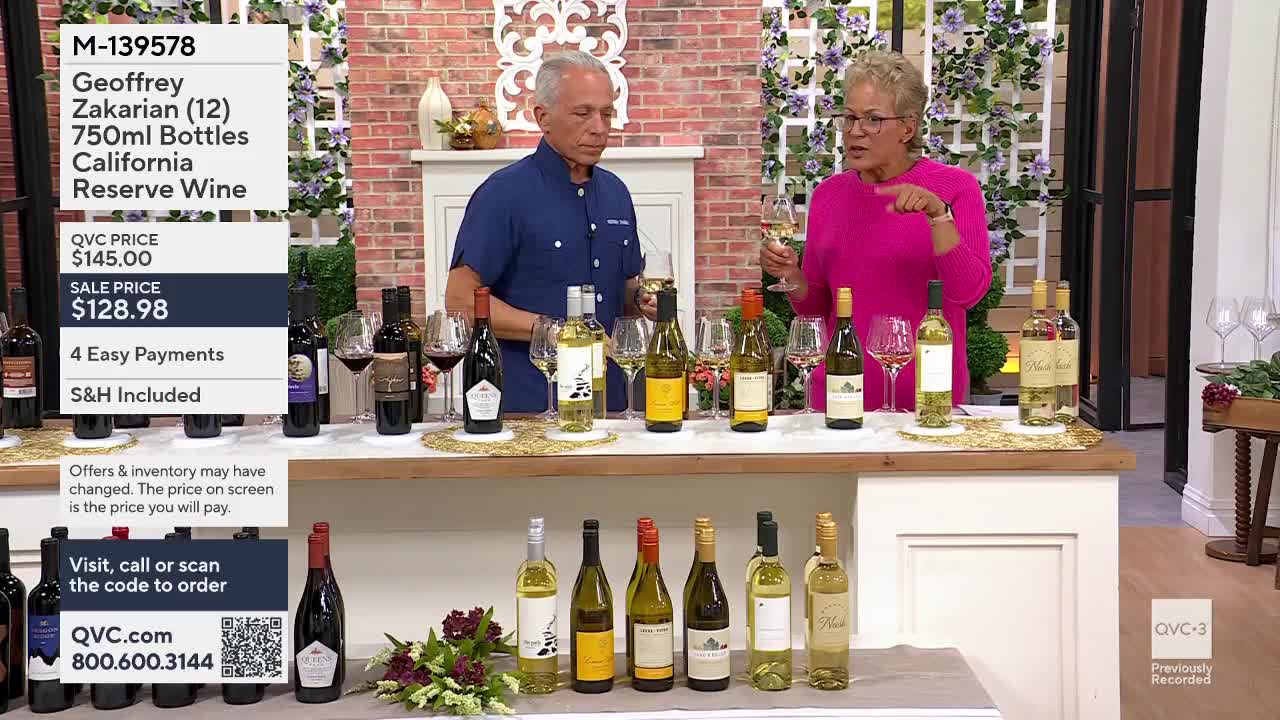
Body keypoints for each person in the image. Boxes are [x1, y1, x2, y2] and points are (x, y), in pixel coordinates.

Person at [760, 50, 991, 411]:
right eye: (850, 117)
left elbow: (968, 294)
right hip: (838, 395)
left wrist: (938, 216)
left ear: (908, 128)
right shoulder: (828, 196)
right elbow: (819, 308)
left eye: (873, 119)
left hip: (925, 401)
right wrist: (791, 275)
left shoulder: (954, 188)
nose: (855, 131)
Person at [445, 51, 657, 413]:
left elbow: (625, 293)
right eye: (582, 113)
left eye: (606, 114)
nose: (599, 127)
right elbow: (461, 303)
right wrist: (556, 332)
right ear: (543, 117)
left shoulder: (617, 193)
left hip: (612, 404)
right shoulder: (502, 194)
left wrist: (642, 299)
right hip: (529, 406)